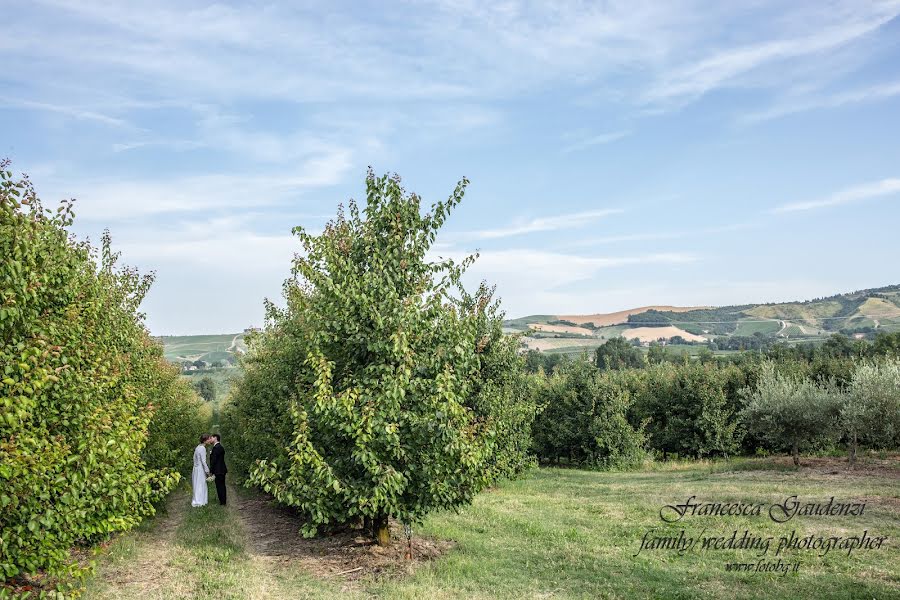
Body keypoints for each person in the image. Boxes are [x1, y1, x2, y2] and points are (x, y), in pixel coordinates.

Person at [191, 434, 213, 507]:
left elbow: (194, 459)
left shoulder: (198, 447)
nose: (210, 440)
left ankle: (197, 499)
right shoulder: (203, 448)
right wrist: (207, 471)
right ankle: (200, 501)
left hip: (196, 468)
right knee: (200, 484)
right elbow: (203, 461)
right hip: (200, 469)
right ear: (205, 440)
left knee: (196, 484)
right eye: (208, 439)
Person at [209, 433, 228, 505]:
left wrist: (211, 471)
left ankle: (222, 502)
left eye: (212, 438)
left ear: (215, 438)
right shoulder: (220, 447)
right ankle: (223, 501)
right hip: (221, 469)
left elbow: (214, 461)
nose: (210, 439)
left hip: (218, 470)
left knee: (220, 486)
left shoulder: (216, 448)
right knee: (222, 485)